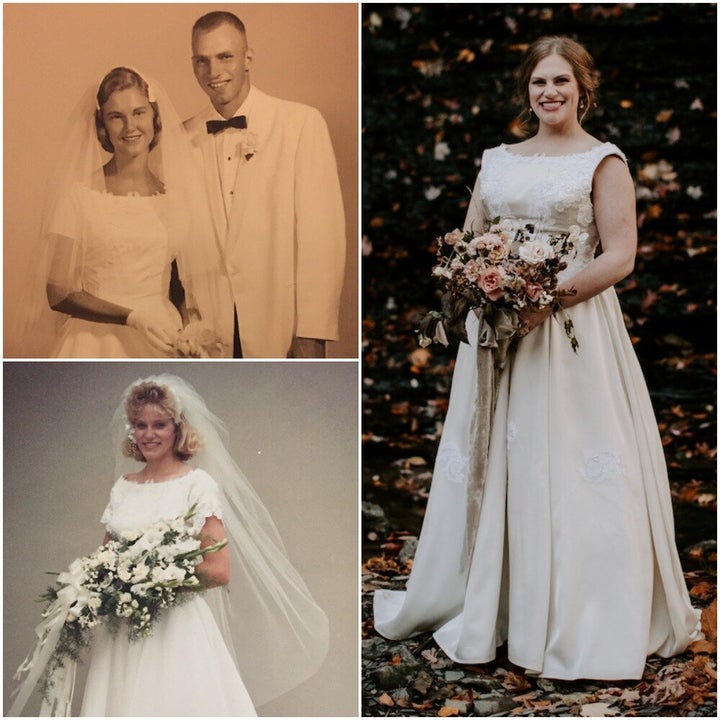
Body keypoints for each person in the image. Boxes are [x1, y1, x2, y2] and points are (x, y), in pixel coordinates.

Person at [374, 36, 700, 680]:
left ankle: (579, 617)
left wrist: (545, 299)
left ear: (583, 88)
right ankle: (494, 604)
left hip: (570, 330)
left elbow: (619, 255)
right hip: (498, 332)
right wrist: (472, 290)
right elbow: (466, 241)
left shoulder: (603, 162)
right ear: (526, 92)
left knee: (574, 456)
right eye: (537, 84)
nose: (548, 93)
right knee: (498, 457)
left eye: (560, 82)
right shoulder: (498, 160)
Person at [11, 375, 329, 715]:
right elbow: (104, 558)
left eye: (159, 424)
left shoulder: (197, 485)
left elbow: (218, 571)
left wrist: (153, 580)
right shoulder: (123, 487)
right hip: (123, 633)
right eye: (140, 425)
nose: (148, 434)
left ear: (178, 428)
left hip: (175, 630)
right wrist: (99, 584)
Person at [21, 67, 232, 358]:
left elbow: (180, 283)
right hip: (96, 341)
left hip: (162, 334)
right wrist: (131, 317)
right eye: (116, 117)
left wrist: (190, 332)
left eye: (139, 112)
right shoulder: (79, 196)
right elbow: (58, 293)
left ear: (155, 118)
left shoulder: (174, 198)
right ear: (103, 126)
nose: (130, 126)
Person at [184, 11, 346, 358]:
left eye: (225, 56)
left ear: (248, 57)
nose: (214, 72)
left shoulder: (301, 124)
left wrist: (312, 333)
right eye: (202, 61)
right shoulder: (180, 139)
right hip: (208, 332)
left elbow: (323, 239)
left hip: (281, 326)